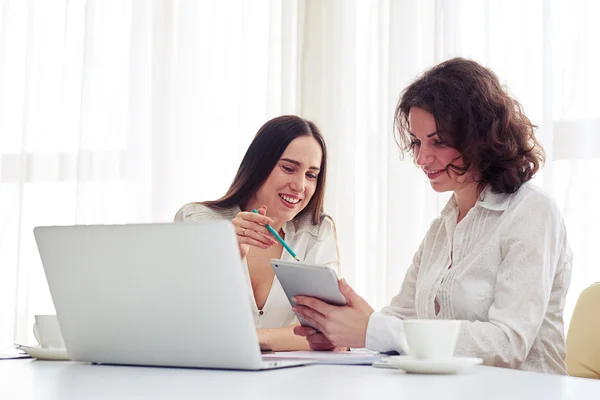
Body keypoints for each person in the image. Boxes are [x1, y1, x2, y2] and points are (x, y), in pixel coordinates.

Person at [292, 58, 573, 374]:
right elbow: (401, 315)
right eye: (416, 142)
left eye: (438, 141)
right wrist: (346, 334)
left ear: (479, 136)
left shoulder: (532, 212)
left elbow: (508, 343)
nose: (422, 158)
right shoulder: (443, 226)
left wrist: (374, 330)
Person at [174, 115, 339, 351]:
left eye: (311, 175)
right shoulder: (197, 220)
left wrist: (255, 338)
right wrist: (225, 255)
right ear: (259, 164)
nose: (300, 186)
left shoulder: (316, 233)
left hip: (292, 380)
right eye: (289, 168)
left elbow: (330, 332)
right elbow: (184, 319)